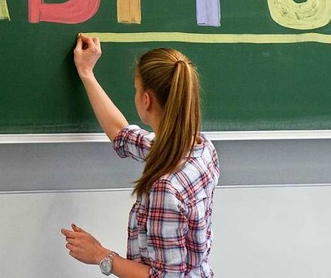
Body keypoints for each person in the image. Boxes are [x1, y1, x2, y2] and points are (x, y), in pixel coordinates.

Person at [61, 34, 219, 278]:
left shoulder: (167, 188)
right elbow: (121, 134)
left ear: (146, 101)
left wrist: (100, 254)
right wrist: (86, 73)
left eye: (136, 89)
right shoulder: (200, 147)